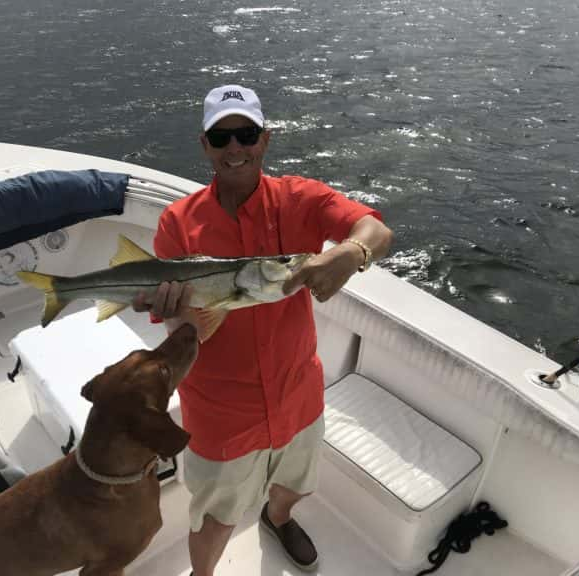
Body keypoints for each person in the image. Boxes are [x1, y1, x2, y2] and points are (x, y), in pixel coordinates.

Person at [133, 84, 393, 575]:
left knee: (296, 483)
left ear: (265, 140)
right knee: (215, 515)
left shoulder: (303, 199)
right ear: (205, 146)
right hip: (220, 410)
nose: (235, 149)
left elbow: (375, 231)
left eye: (246, 135)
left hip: (298, 391)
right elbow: (178, 327)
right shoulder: (178, 223)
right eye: (222, 137)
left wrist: (349, 253)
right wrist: (178, 312)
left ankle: (279, 518)